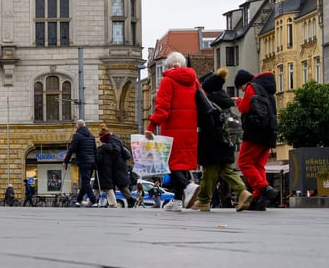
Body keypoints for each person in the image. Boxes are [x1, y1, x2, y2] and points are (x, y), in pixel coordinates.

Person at [189, 68, 254, 212]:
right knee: (225, 170)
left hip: (211, 142)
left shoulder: (207, 103)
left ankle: (204, 201)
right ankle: (242, 192)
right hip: (226, 141)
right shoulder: (223, 100)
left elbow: (202, 122)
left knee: (209, 171)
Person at [146, 51, 199, 212]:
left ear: (169, 67)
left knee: (170, 163)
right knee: (181, 164)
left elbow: (162, 108)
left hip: (173, 129)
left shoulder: (168, 81)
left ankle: (187, 186)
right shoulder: (194, 81)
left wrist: (151, 125)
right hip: (190, 128)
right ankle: (176, 200)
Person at [234, 69, 280, 211]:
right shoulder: (267, 90)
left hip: (255, 131)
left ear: (244, 83)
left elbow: (245, 107)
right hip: (269, 131)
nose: (242, 90)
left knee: (244, 162)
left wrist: (239, 102)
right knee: (258, 165)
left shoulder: (252, 87)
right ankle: (259, 196)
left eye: (241, 88)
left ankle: (264, 188)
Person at [95, 125, 136, 208]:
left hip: (118, 166)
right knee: (114, 184)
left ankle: (130, 200)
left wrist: (111, 160)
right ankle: (113, 201)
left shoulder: (113, 139)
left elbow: (116, 150)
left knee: (121, 185)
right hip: (118, 166)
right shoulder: (114, 138)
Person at [63, 119, 98, 207]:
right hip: (91, 162)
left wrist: (66, 161)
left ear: (77, 126)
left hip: (83, 161)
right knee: (85, 181)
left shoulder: (77, 136)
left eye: (76, 125)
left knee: (85, 182)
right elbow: (95, 150)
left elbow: (71, 149)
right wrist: (95, 162)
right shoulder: (91, 136)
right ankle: (78, 200)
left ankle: (93, 200)